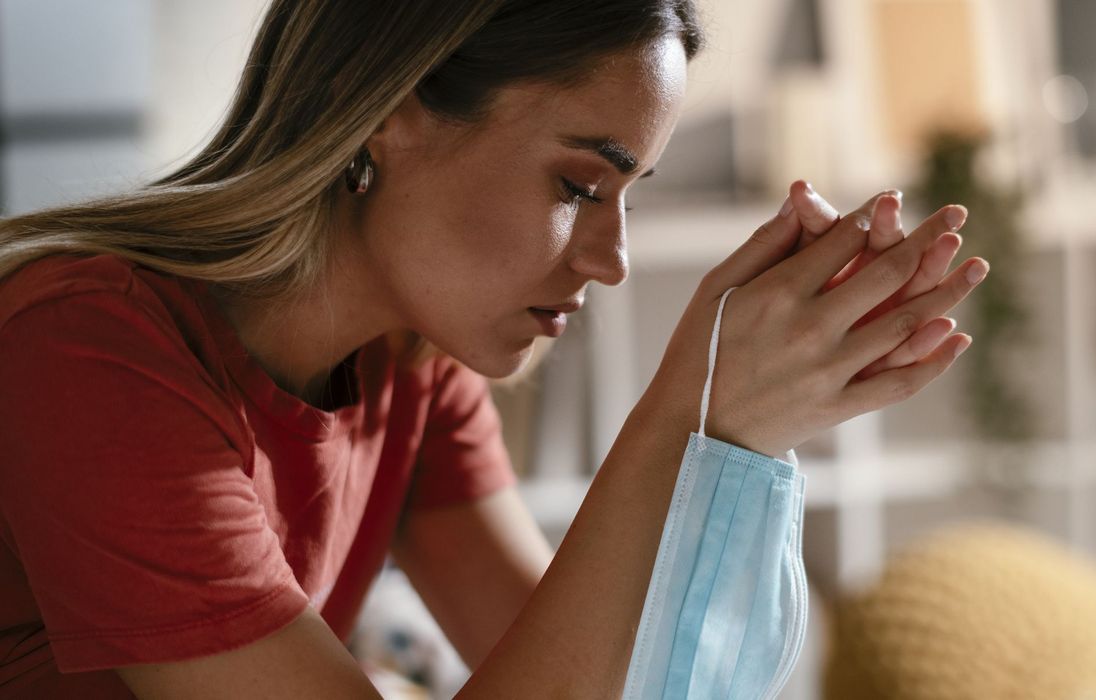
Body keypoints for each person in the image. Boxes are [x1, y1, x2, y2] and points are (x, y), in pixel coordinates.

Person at [0, 1, 987, 697]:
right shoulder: (87, 350)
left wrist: (750, 436)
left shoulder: (413, 366)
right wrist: (686, 418)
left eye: (631, 191)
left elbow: (596, 670)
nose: (614, 262)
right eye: (577, 186)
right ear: (387, 112)